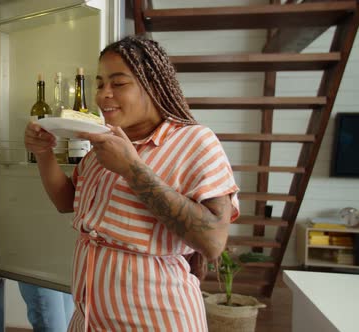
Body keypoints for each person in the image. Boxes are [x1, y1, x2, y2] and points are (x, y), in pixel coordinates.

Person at [24, 35, 239, 331]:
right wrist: (43, 152)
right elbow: (67, 202)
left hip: (154, 320)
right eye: (100, 84)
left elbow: (213, 241)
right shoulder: (105, 142)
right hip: (88, 318)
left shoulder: (195, 141)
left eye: (118, 83)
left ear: (152, 84)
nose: (103, 95)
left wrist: (132, 169)